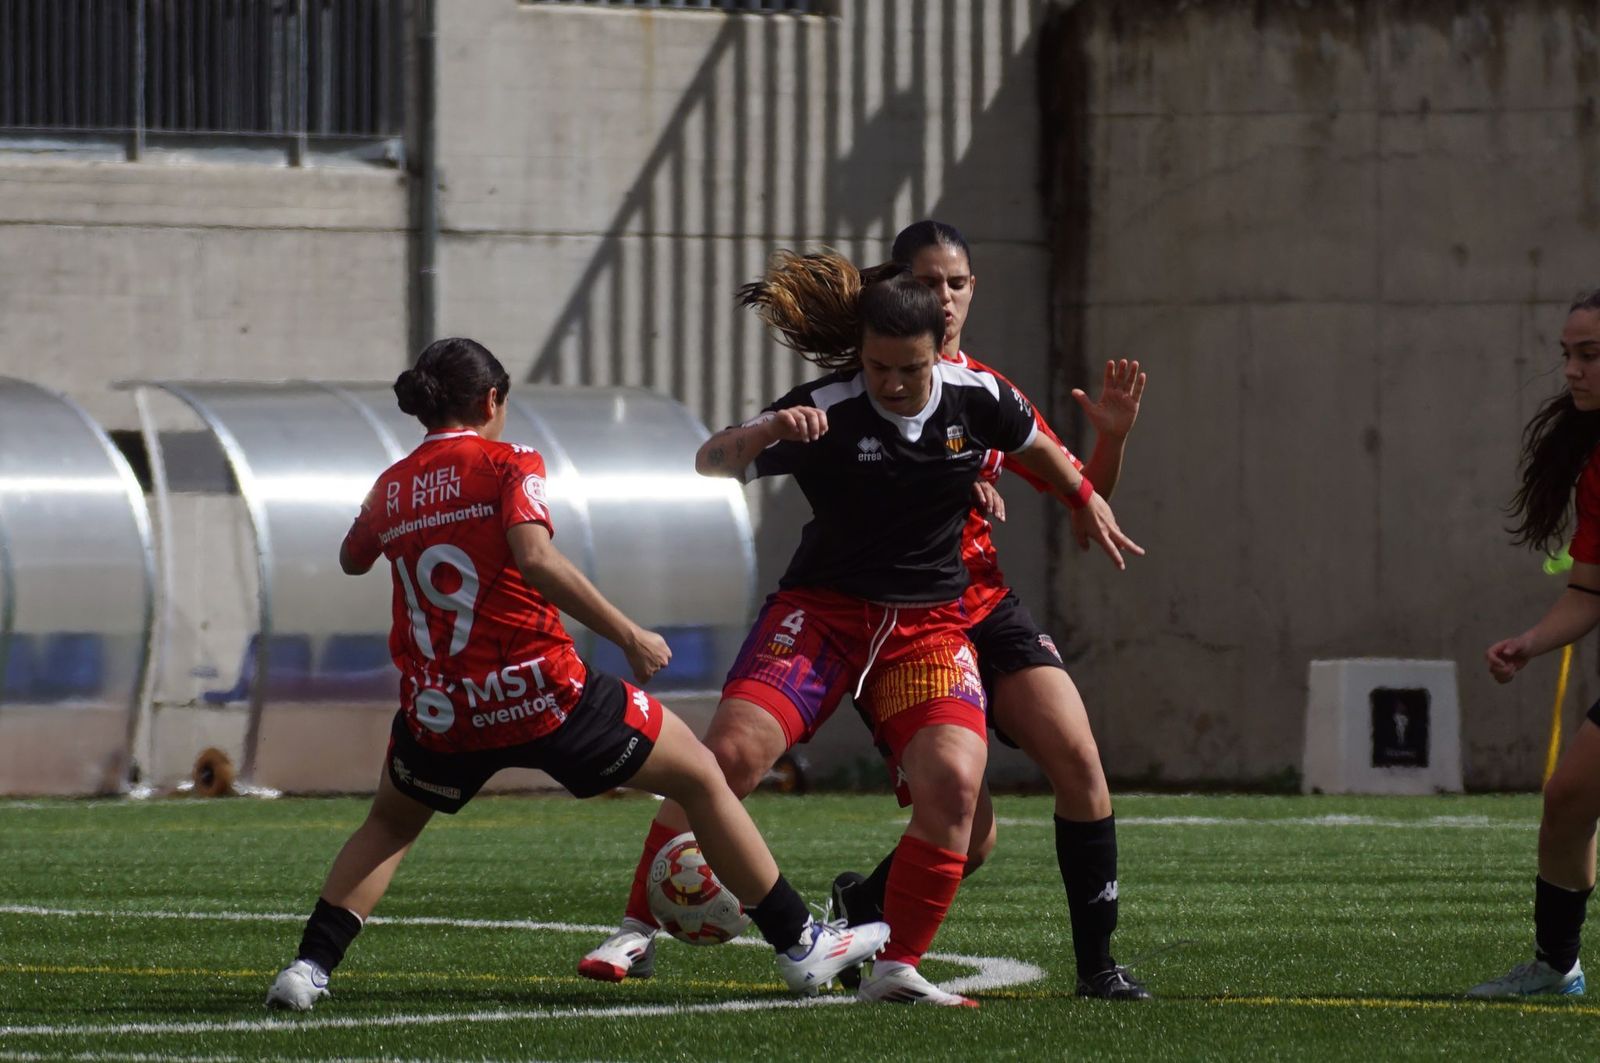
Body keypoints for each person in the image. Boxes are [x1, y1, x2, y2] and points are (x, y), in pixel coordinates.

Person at [579, 253, 1141, 1006]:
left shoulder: (981, 396)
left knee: (956, 785)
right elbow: (710, 461)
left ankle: (896, 965)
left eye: (908, 369)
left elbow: (1040, 448)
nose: (892, 384)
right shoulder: (829, 406)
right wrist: (767, 428)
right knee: (732, 755)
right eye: (878, 367)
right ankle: (635, 926)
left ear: (937, 350)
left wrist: (1084, 495)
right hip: (823, 615)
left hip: (928, 628)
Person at [264, 337, 888, 1011]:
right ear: (493, 400)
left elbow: (353, 558)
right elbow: (533, 556)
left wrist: (405, 512)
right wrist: (629, 634)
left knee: (388, 825)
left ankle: (308, 968)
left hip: (442, 708)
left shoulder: (393, 483)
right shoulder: (511, 462)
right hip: (541, 693)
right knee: (702, 776)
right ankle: (800, 943)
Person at [828, 220, 1152, 1000]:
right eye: (929, 281)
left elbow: (1083, 493)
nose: (944, 298)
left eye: (958, 283)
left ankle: (1098, 969)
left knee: (1078, 757)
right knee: (969, 837)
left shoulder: (986, 390)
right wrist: (938, 481)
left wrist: (1110, 442)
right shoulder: (863, 388)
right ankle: (863, 910)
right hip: (904, 619)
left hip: (984, 603)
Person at [1469, 290, 1600, 998]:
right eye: (1568, 355)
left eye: (1591, 354)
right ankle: (1557, 966)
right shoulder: (1596, 464)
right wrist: (1530, 642)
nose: (1573, 371)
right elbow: (1588, 591)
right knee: (1570, 797)